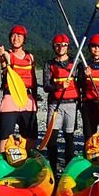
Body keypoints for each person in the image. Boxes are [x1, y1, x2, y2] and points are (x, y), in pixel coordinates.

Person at [42, 33, 81, 174]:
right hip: (55, 104)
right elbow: (46, 86)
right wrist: (59, 86)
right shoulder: (49, 64)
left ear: (67, 46)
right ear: (54, 47)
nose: (60, 48)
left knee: (69, 137)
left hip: (71, 104)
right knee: (52, 139)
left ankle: (68, 170)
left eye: (63, 45)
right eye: (58, 45)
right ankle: (52, 168)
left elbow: (82, 82)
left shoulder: (75, 63)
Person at [0, 25, 38, 152]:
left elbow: (34, 79)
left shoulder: (30, 57)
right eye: (13, 35)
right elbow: (4, 69)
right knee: (6, 136)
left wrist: (35, 100)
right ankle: (2, 163)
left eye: (19, 36)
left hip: (28, 98)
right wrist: (2, 58)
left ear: (24, 39)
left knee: (30, 136)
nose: (16, 38)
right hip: (10, 97)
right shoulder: (6, 55)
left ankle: (29, 161)